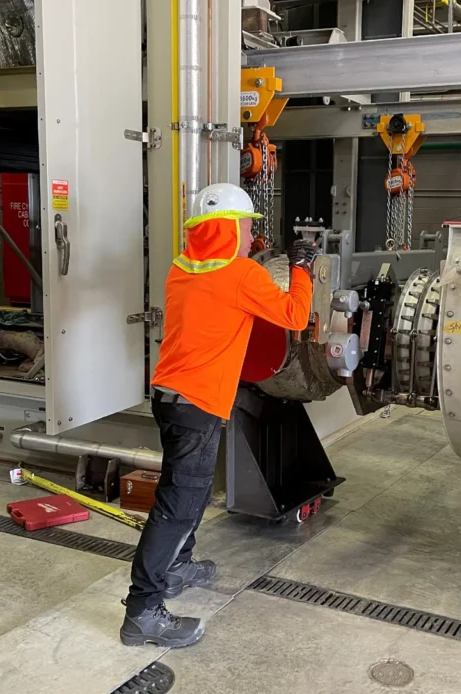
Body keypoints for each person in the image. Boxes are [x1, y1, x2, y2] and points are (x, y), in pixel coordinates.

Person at [120, 182, 317, 648]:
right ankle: (143, 611)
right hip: (197, 407)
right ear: (231, 229)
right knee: (176, 506)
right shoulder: (242, 275)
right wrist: (302, 267)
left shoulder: (180, 267)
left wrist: (250, 257)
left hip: (169, 398)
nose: (252, 238)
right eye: (248, 228)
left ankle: (179, 565)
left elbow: (218, 303)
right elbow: (295, 315)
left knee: (192, 490)